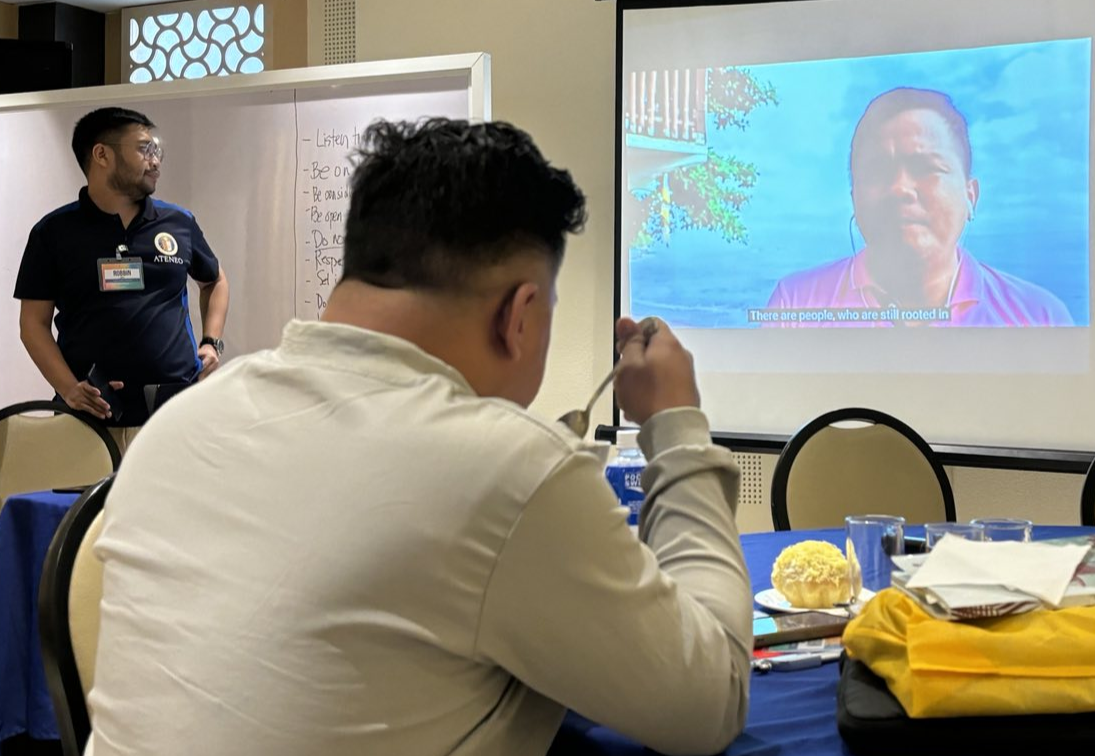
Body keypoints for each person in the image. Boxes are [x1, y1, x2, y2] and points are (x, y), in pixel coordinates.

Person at [86, 118, 752, 756]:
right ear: (520, 314)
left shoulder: (181, 424)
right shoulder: (506, 468)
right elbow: (708, 701)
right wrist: (676, 425)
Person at [765, 87, 1073, 327]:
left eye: (926, 167)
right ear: (854, 198)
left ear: (971, 196)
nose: (900, 189)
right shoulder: (795, 305)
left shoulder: (1038, 316)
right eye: (878, 170)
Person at [14, 107, 229, 447]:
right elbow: (33, 324)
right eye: (144, 149)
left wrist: (211, 342)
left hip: (174, 410)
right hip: (90, 417)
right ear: (102, 154)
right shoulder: (53, 233)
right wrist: (69, 388)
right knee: (88, 501)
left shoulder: (178, 222)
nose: (155, 160)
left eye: (156, 150)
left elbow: (214, 281)